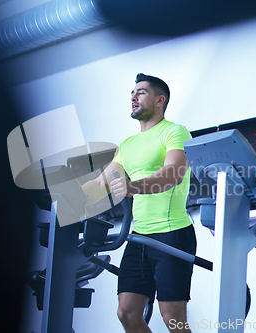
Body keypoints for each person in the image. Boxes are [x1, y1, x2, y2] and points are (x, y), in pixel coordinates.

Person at [82, 73, 196, 333]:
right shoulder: (127, 144)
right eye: (132, 93)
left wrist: (133, 187)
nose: (134, 96)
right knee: (127, 312)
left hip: (172, 234)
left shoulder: (174, 131)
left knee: (172, 318)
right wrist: (61, 200)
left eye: (141, 92)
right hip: (139, 237)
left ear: (159, 100)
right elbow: (101, 183)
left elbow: (173, 174)